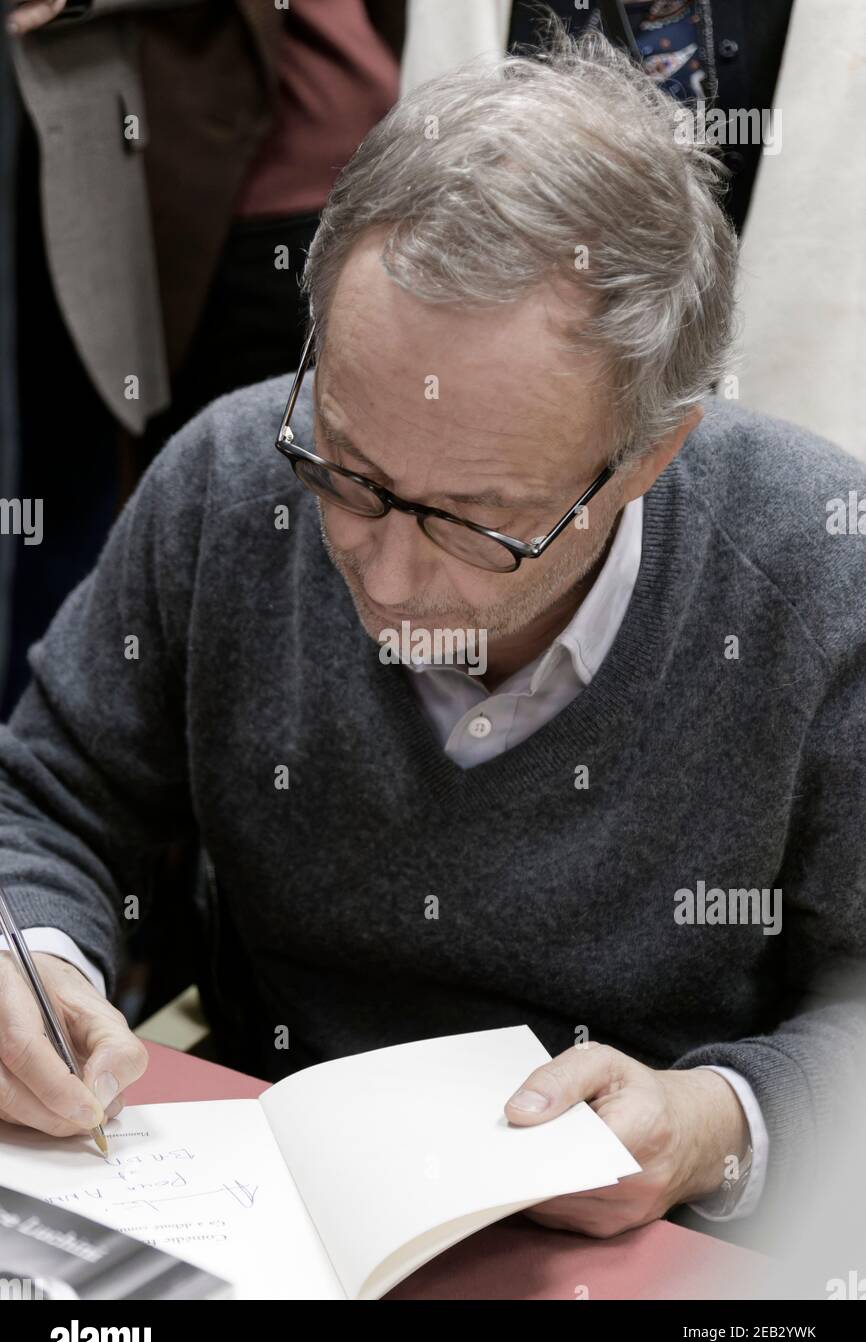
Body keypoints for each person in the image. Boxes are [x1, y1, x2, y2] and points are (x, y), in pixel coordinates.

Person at [0, 23, 863, 1250]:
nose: (387, 576)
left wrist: (718, 1119)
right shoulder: (229, 478)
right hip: (253, 1196)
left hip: (655, 1250)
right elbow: (49, 796)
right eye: (348, 474)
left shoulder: (820, 583)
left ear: (650, 454)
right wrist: (36, 963)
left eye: (475, 523)